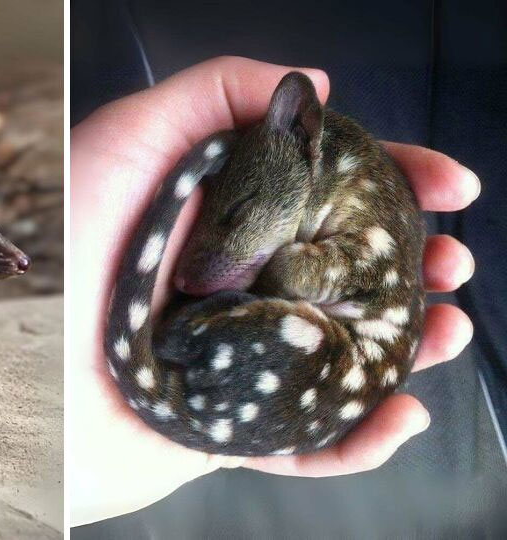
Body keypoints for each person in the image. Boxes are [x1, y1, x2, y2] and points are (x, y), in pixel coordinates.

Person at [70, 57, 477, 524]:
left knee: (296, 333)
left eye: (238, 214)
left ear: (307, 139)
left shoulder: (364, 240)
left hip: (279, 386)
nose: (187, 278)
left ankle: (184, 335)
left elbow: (291, 275)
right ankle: (189, 337)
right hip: (253, 402)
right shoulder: (366, 220)